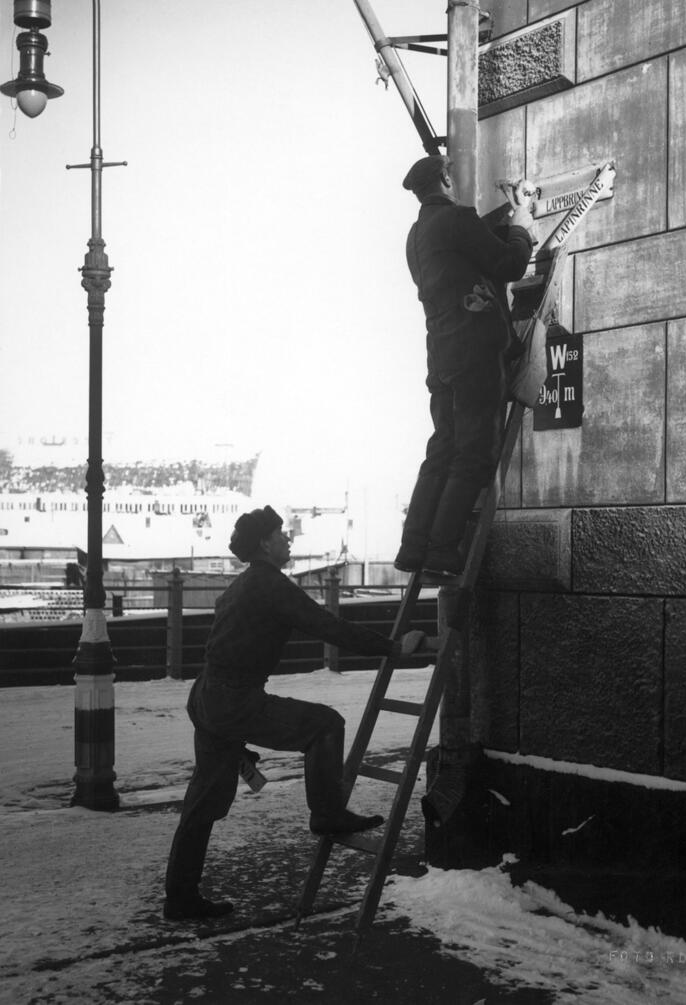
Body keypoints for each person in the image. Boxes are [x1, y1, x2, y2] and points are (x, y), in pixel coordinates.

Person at [164, 505, 425, 921]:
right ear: (266, 543)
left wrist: (229, 732)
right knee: (325, 724)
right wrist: (393, 648)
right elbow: (327, 626)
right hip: (234, 698)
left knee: (202, 803)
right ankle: (327, 814)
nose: (288, 540)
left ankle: (179, 897)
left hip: (208, 696)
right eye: (282, 534)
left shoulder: (241, 585)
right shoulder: (269, 584)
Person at [394, 154, 536, 576]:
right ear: (445, 179)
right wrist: (522, 225)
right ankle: (441, 550)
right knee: (474, 455)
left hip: (442, 357)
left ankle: (414, 546)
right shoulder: (457, 220)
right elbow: (510, 264)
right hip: (475, 353)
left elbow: (464, 263)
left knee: (441, 451)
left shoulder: (416, 235)